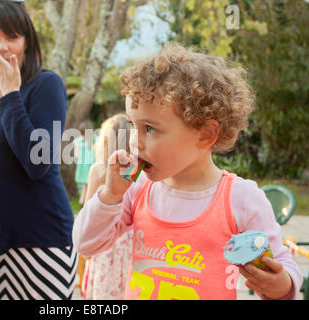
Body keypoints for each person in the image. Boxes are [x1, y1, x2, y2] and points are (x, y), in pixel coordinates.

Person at [73, 43, 303, 300]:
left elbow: (282, 265)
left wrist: (280, 284)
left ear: (206, 134)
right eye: (132, 125)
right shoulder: (136, 191)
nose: (134, 142)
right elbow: (85, 244)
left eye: (150, 128)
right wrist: (109, 197)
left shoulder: (241, 199)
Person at [0, 0, 77, 300]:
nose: (3, 46)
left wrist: (11, 93)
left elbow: (38, 163)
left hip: (43, 242)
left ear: (27, 41)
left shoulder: (45, 85)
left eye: (12, 36)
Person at [81, 113, 133, 300]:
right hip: (130, 245)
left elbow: (88, 212)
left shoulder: (99, 169)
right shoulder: (138, 170)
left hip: (104, 243)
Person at [73, 120, 96, 205]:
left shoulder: (78, 141)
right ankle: (86, 202)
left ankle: (82, 200)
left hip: (82, 166)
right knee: (90, 185)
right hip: (92, 165)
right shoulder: (95, 139)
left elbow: (76, 155)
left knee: (86, 185)